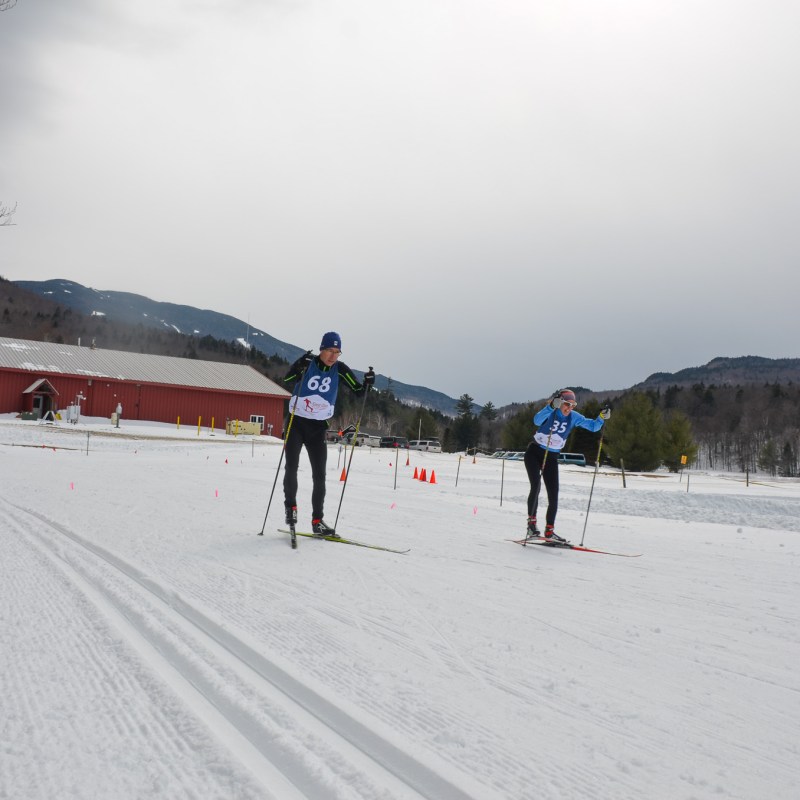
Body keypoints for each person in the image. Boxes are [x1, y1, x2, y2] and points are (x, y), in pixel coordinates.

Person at [282, 332, 375, 535]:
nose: (333, 356)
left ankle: (318, 521)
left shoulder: (340, 369)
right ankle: (291, 509)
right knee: (291, 466)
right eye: (329, 351)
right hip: (296, 422)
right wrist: (299, 366)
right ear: (321, 349)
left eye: (337, 352)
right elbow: (288, 378)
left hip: (318, 427)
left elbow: (359, 391)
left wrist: (368, 383)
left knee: (320, 476)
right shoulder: (309, 363)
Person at [523, 389, 610, 542]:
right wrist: (550, 406)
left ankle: (549, 531)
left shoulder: (574, 417)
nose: (569, 408)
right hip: (535, 453)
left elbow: (594, 426)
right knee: (536, 486)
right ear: (560, 402)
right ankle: (531, 525)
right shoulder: (552, 411)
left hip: (551, 456)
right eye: (567, 404)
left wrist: (601, 417)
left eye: (573, 405)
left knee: (554, 493)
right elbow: (536, 420)